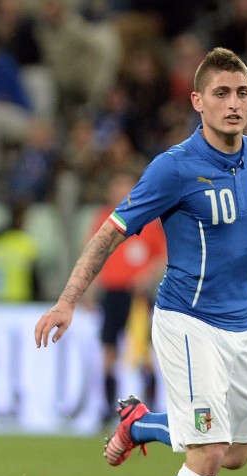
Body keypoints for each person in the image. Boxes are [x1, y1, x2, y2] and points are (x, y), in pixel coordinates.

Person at [34, 47, 247, 476]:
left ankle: (139, 423)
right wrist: (66, 302)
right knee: (207, 452)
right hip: (187, 321)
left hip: (241, 326)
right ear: (197, 100)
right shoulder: (174, 167)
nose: (234, 104)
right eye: (222, 94)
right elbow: (110, 233)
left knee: (237, 453)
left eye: (243, 93)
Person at [85, 170, 167, 428]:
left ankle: (151, 409)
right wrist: (89, 288)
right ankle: (107, 410)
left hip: (138, 295)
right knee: (109, 350)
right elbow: (93, 255)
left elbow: (163, 255)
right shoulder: (103, 218)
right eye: (116, 185)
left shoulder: (149, 220)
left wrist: (147, 276)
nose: (120, 191)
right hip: (111, 293)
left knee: (143, 349)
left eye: (125, 185)